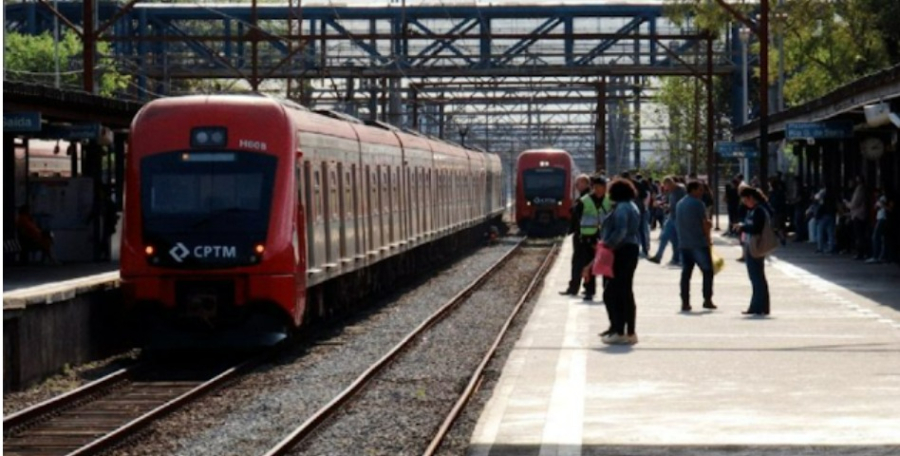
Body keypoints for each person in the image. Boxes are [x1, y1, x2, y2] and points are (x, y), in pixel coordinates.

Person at [597, 178, 641, 345]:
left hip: (622, 251)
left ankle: (619, 330)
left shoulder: (622, 208)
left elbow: (621, 230)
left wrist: (608, 245)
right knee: (625, 290)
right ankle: (628, 331)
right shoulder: (632, 205)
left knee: (612, 291)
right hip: (630, 249)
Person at [562, 175, 610, 300]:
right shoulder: (585, 201)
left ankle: (607, 291)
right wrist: (578, 234)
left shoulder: (608, 201)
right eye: (597, 187)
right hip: (586, 237)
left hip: (604, 237)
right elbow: (576, 218)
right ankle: (589, 290)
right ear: (593, 188)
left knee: (605, 265)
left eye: (602, 187)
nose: (599, 190)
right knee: (587, 264)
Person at [676, 181, 716, 312]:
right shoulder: (698, 204)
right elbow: (704, 223)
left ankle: (685, 301)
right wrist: (708, 238)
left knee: (686, 274)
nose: (702, 192)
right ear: (692, 190)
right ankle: (707, 299)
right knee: (708, 271)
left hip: (684, 243)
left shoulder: (680, 204)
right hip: (698, 242)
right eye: (699, 190)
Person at [734, 187, 771, 316]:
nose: (744, 202)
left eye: (745, 199)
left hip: (756, 246)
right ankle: (759, 305)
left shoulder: (759, 211)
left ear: (750, 198)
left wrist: (743, 227)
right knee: (757, 277)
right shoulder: (753, 210)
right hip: (751, 245)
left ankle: (758, 306)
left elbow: (757, 228)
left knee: (756, 277)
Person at [560, 174, 593, 296]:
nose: (576, 186)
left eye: (578, 183)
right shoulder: (589, 197)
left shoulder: (585, 199)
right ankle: (588, 288)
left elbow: (579, 214)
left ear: (585, 183)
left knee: (578, 262)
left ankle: (574, 287)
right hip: (589, 234)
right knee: (587, 262)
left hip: (582, 235)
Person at [647, 176, 686, 266]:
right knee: (666, 237)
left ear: (670, 183)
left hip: (679, 218)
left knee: (679, 239)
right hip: (671, 217)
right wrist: (663, 204)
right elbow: (670, 203)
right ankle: (659, 256)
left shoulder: (680, 190)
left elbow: (678, 205)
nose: (665, 188)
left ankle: (680, 259)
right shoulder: (671, 192)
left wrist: (665, 206)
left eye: (666, 186)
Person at [844, 176, 868, 260]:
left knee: (859, 235)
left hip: (858, 215)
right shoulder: (860, 189)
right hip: (858, 214)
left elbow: (855, 203)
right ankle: (861, 252)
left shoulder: (860, 189)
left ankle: (860, 253)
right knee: (859, 235)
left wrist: (847, 204)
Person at [868, 193, 891, 264]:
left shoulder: (887, 198)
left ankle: (876, 256)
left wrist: (882, 205)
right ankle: (882, 256)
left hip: (883, 218)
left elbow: (889, 209)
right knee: (883, 238)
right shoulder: (881, 197)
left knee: (875, 237)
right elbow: (876, 207)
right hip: (879, 217)